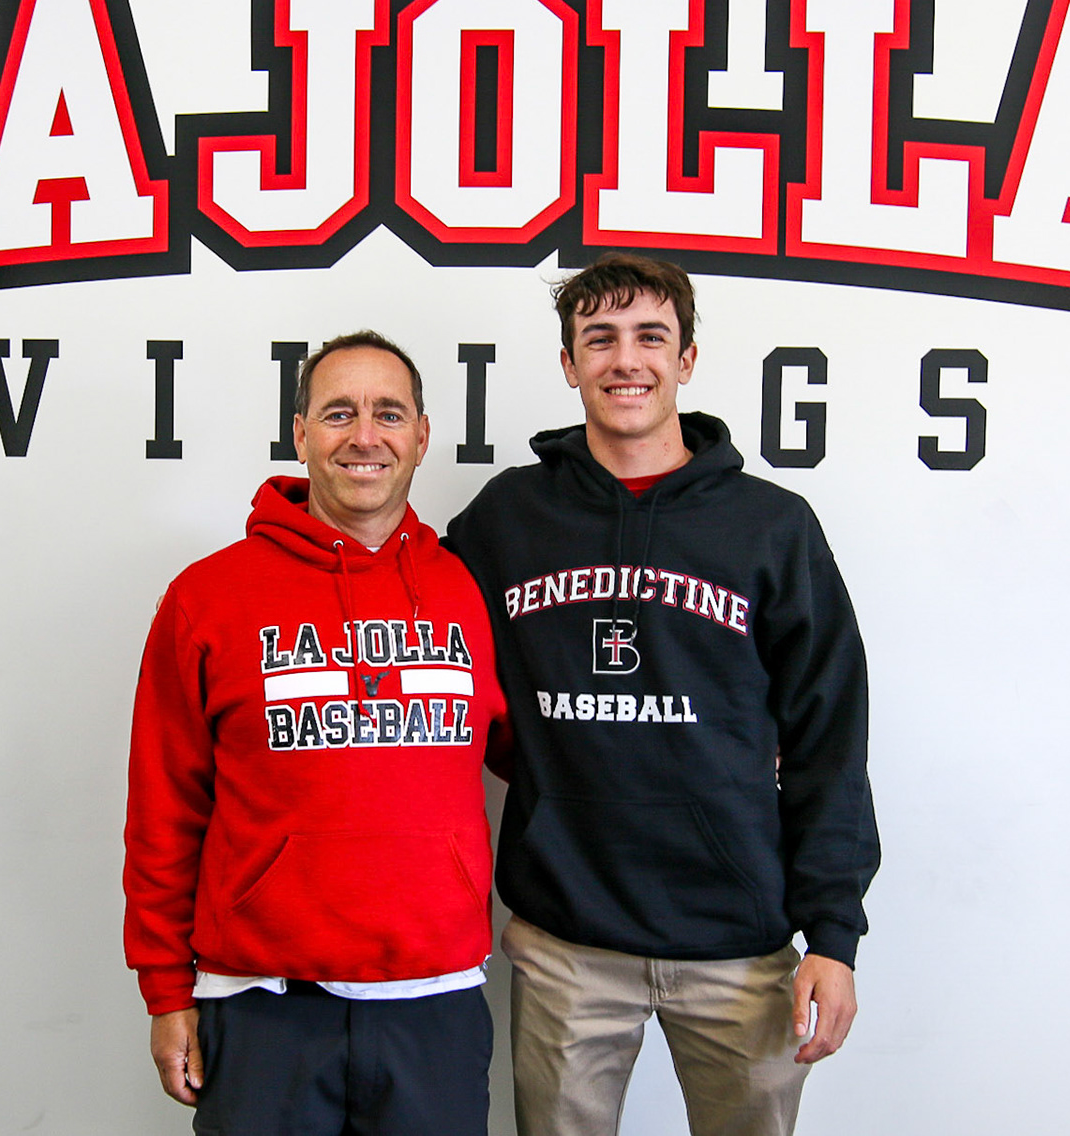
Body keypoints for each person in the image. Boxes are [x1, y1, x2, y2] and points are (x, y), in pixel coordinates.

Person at [445, 254, 879, 1136]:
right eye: (599, 339)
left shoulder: (771, 526)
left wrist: (833, 935)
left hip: (739, 940)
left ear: (686, 359)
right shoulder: (508, 518)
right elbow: (433, 649)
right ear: (569, 364)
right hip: (566, 936)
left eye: (650, 336)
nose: (625, 360)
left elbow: (830, 735)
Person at [124, 331, 510, 1136]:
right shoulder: (208, 598)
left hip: (435, 1003)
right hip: (261, 1005)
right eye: (339, 414)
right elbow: (164, 811)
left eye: (388, 414)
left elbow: (534, 751)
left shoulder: (465, 590)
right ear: (300, 435)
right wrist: (165, 989)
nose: (365, 436)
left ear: (421, 436)